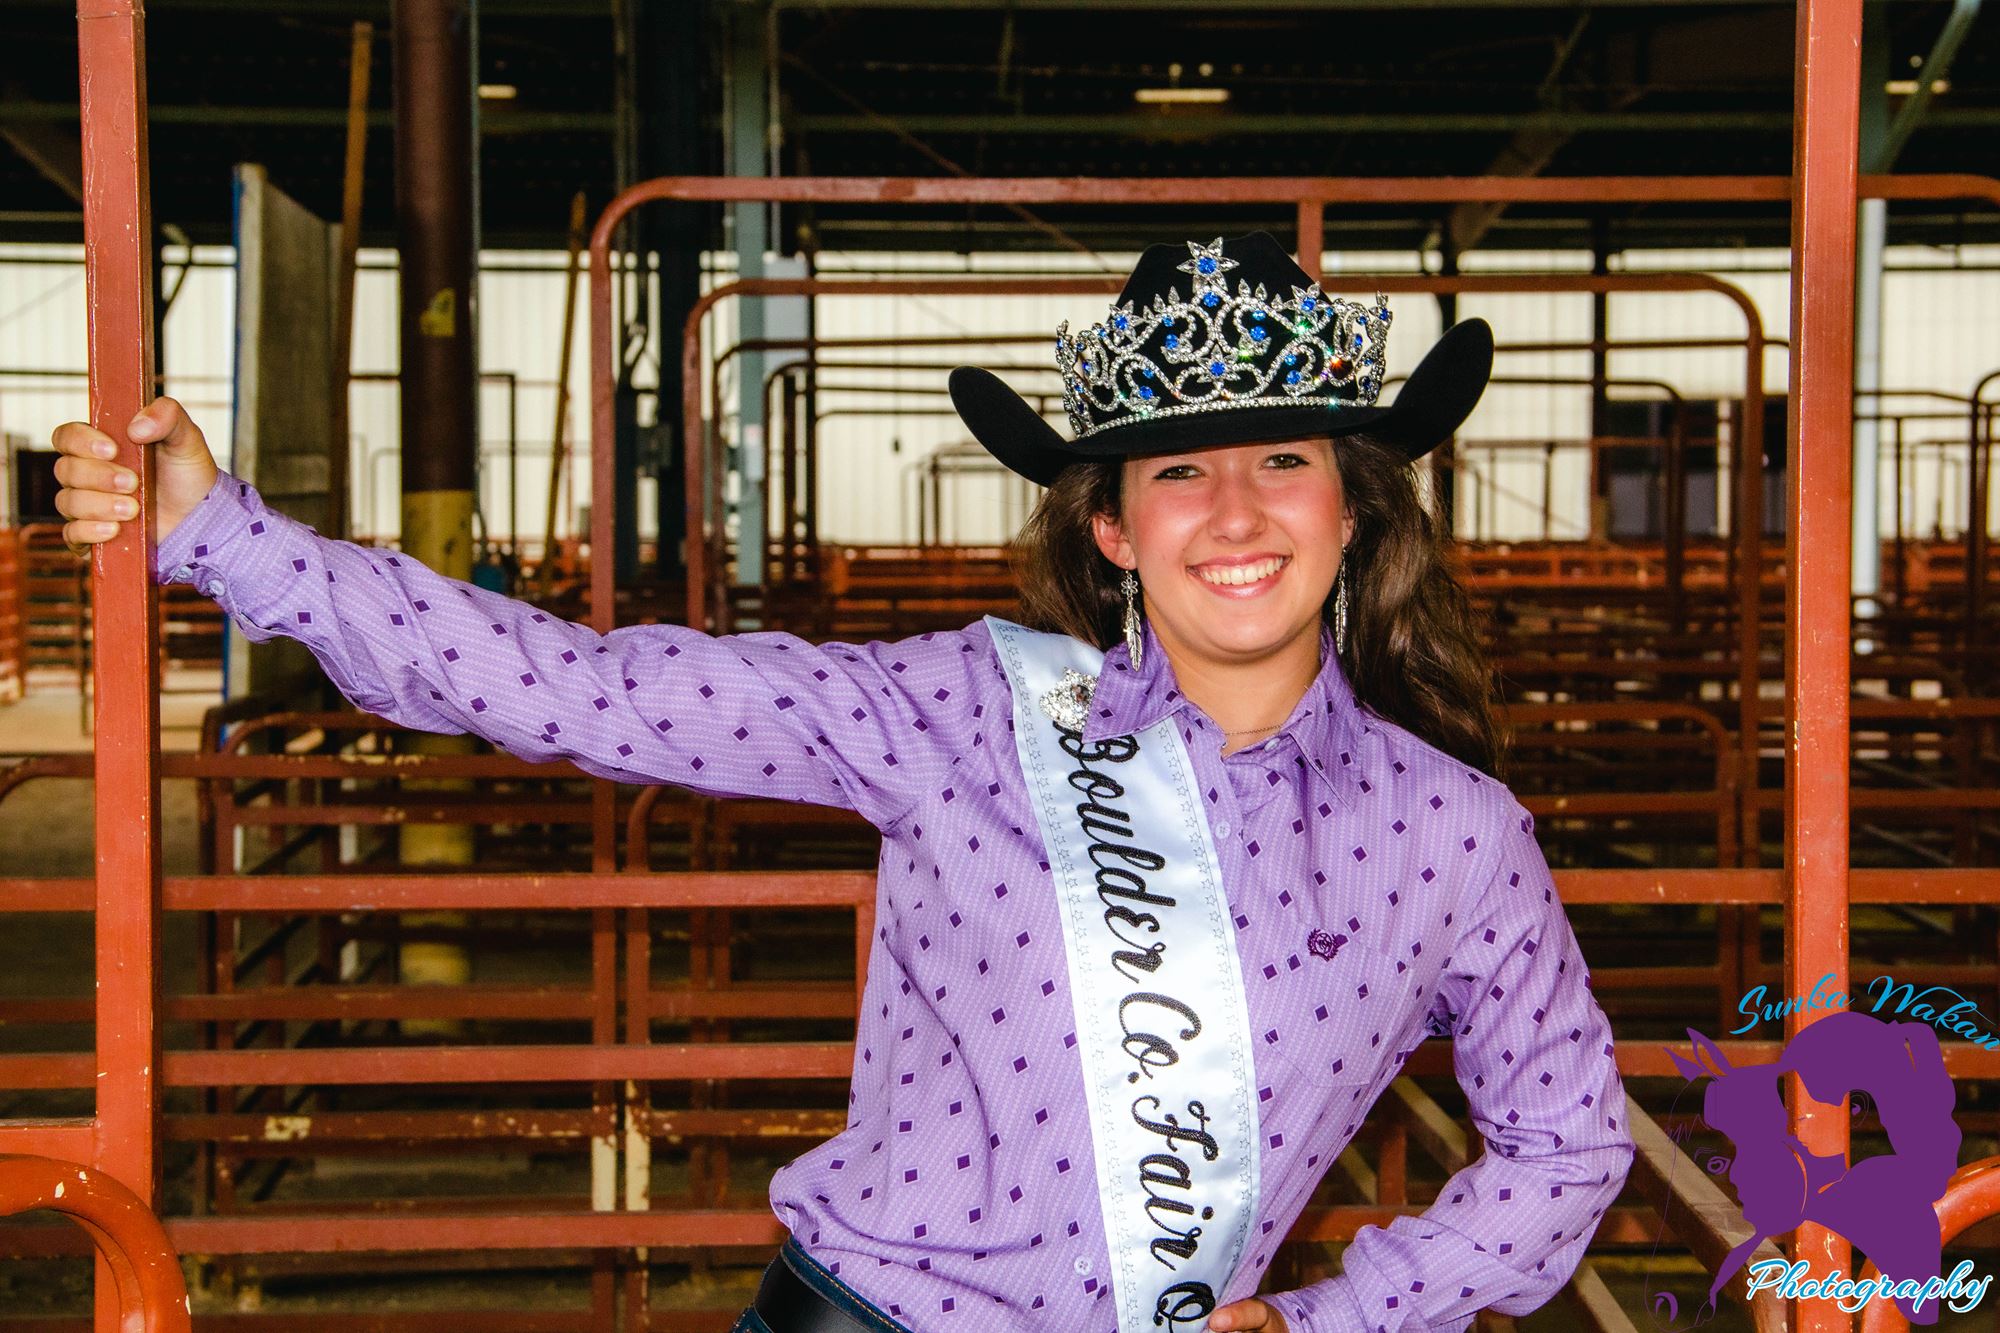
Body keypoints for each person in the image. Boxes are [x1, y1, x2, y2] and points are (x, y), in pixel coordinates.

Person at [54, 231, 1634, 1333]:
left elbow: (1570, 1142)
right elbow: (591, 690)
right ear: (1111, 527)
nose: (1235, 509)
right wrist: (228, 541)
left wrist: (1337, 1314)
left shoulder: (1452, 832)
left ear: (1355, 505)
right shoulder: (962, 707)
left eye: (1284, 456)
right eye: (1178, 467)